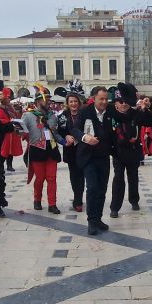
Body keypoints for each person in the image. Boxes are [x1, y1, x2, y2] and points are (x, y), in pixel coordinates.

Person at [71, 86, 114, 235]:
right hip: (88, 157)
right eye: (101, 99)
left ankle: (98, 219)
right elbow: (74, 129)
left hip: (103, 157)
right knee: (92, 188)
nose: (104, 102)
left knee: (102, 189)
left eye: (106, 99)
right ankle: (91, 221)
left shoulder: (110, 111)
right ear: (94, 98)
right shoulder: (85, 111)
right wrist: (85, 137)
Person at [107, 83, 151, 218]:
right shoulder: (111, 115)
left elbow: (149, 120)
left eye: (126, 101)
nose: (124, 104)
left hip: (133, 151)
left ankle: (134, 200)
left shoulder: (135, 113)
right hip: (118, 153)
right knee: (118, 178)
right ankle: (115, 207)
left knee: (133, 177)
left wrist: (145, 108)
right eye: (120, 101)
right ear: (116, 103)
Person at [21, 85, 62, 214]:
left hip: (52, 149)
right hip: (37, 150)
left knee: (52, 178)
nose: (49, 102)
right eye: (46, 100)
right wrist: (18, 130)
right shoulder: (28, 116)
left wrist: (65, 140)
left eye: (50, 100)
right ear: (38, 101)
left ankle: (52, 204)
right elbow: (22, 131)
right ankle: (37, 199)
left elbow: (55, 133)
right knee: (40, 178)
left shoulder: (53, 116)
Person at [57, 81, 87, 212]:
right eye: (71, 102)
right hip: (70, 150)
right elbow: (58, 131)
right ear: (67, 103)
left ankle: (78, 200)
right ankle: (77, 199)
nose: (73, 104)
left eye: (75, 101)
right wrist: (65, 137)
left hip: (83, 150)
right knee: (74, 176)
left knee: (82, 176)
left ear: (79, 102)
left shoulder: (84, 114)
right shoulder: (63, 116)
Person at [0, 88, 23, 172]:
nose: (9, 99)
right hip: (5, 133)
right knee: (5, 150)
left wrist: (20, 111)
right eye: (7, 98)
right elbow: (0, 119)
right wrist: (9, 121)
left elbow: (16, 116)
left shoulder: (10, 108)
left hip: (12, 132)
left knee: (11, 151)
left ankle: (9, 165)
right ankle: (0, 165)